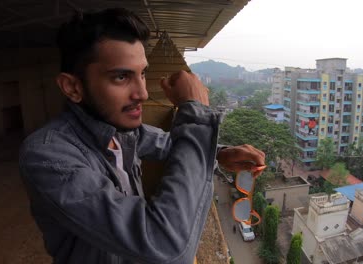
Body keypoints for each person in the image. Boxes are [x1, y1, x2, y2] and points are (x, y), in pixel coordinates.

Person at [19, 8, 265, 264]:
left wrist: (222, 153)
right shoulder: (48, 157)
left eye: (143, 73)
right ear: (73, 87)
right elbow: (166, 245)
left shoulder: (125, 132)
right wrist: (196, 113)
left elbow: (169, 145)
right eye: (121, 76)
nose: (143, 93)